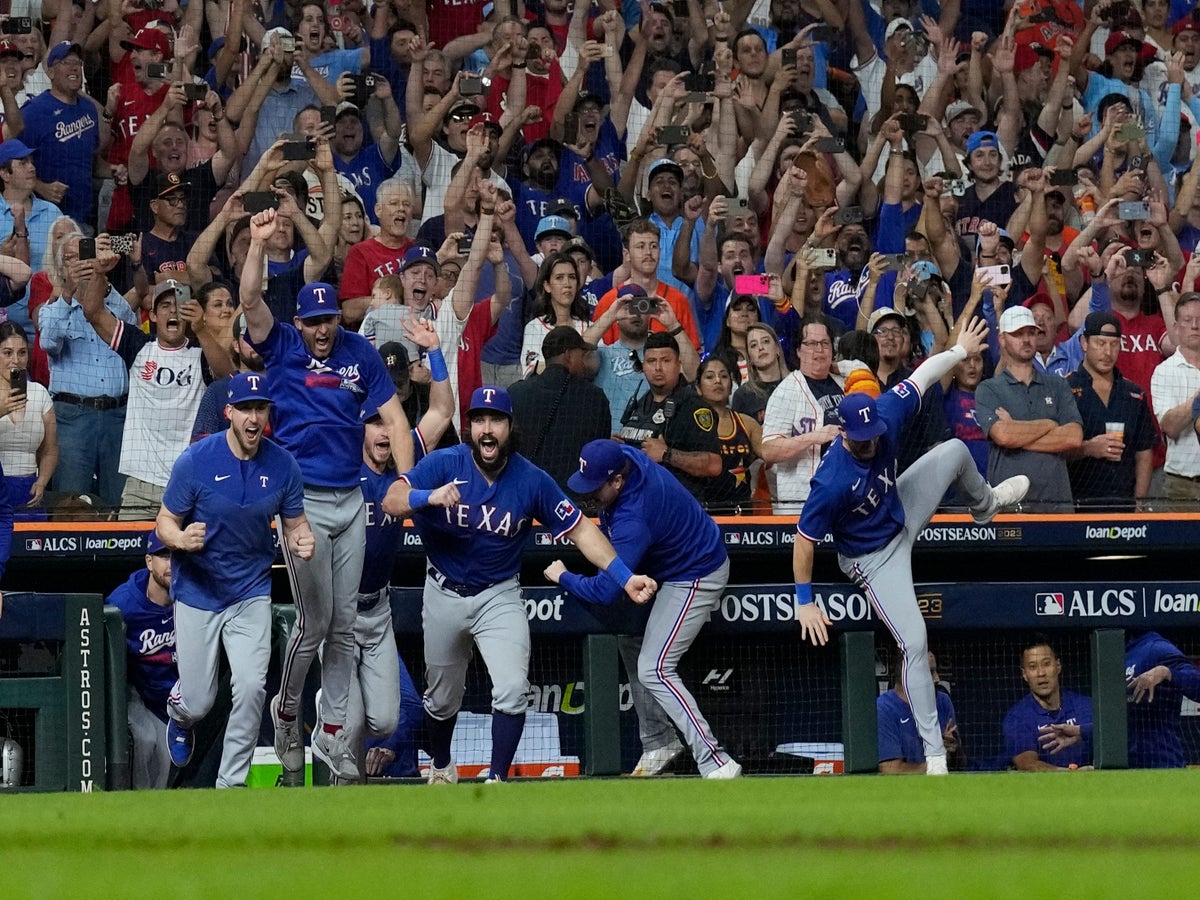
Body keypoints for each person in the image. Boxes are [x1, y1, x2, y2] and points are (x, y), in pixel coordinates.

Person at [381, 386, 656, 784]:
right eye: (479, 421)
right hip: (442, 590)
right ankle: (441, 765)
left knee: (512, 688)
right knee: (441, 700)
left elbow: (581, 531)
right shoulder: (444, 463)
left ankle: (497, 780)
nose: (487, 430)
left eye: (496, 420)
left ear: (510, 427)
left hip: (499, 593)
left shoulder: (531, 479)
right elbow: (392, 499)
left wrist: (625, 577)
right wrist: (429, 496)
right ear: (469, 427)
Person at [792, 318, 1029, 776]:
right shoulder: (832, 479)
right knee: (915, 642)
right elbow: (803, 541)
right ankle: (935, 757)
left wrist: (958, 351)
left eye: (872, 435)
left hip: (898, 505)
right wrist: (804, 602)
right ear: (842, 434)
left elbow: (920, 377)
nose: (869, 443)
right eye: (859, 440)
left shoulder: (884, 415)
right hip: (872, 559)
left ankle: (986, 505)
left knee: (957, 450)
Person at [238, 207, 411, 783]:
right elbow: (250, 302)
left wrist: (405, 483)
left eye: (327, 319)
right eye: (312, 320)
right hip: (302, 502)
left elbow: (395, 418)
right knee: (314, 622)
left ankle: (333, 738)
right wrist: (259, 247)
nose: (319, 329)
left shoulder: (359, 354)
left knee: (340, 625)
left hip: (351, 501)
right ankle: (287, 709)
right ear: (301, 321)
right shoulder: (283, 344)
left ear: (338, 318)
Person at [545, 439, 742, 779]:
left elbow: (607, 590)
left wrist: (564, 576)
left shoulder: (634, 516)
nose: (589, 495)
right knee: (630, 637)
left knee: (655, 668)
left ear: (618, 481)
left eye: (596, 488)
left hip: (697, 572)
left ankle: (716, 759)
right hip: (665, 563)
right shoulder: (627, 459)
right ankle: (659, 743)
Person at [157, 373, 315, 788]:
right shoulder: (197, 460)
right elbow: (164, 523)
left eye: (260, 408)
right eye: (245, 408)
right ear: (229, 412)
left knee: (250, 688)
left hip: (250, 591)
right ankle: (179, 713)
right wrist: (180, 539)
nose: (253, 417)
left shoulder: (283, 465)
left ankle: (231, 786)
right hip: (198, 591)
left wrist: (302, 539)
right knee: (200, 700)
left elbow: (296, 523)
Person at [333, 319, 456, 784]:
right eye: (375, 423)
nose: (385, 432)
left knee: (391, 718)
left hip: (378, 607)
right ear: (360, 429)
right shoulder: (339, 464)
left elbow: (442, 410)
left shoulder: (407, 462)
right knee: (350, 723)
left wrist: (437, 351)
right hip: (338, 609)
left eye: (391, 422)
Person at [78, 270, 233, 519]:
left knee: (187, 556)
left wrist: (201, 330)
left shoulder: (200, 353)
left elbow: (227, 380)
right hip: (141, 484)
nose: (173, 311)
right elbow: (93, 312)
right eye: (165, 305)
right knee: (130, 557)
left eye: (179, 305)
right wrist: (99, 271)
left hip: (188, 482)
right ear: (152, 315)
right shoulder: (138, 346)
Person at [974, 306, 1083, 512]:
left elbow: (1073, 437)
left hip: (1056, 504)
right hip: (1009, 507)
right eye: (1017, 334)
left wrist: (1016, 429)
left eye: (1031, 333)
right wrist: (1049, 424)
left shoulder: (1058, 385)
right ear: (1002, 339)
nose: (1026, 339)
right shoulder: (988, 389)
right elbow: (1004, 436)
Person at [1065, 312, 1157, 509]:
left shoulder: (1134, 394)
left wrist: (1139, 505)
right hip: (1076, 507)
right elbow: (1052, 452)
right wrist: (1087, 448)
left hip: (1124, 507)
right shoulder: (1064, 390)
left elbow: (1144, 453)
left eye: (1114, 344)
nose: (1107, 352)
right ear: (1084, 343)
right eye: (1100, 343)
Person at [617, 331, 721, 505]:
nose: (658, 368)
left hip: (680, 509)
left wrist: (667, 454)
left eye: (665, 361)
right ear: (643, 366)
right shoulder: (641, 401)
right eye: (651, 361)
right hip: (641, 504)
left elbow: (714, 465)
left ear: (678, 364)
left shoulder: (694, 407)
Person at [107, 528, 176, 789]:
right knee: (145, 740)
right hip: (136, 689)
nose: (171, 564)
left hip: (175, 696)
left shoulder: (194, 597)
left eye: (176, 556)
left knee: (168, 756)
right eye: (164, 556)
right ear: (149, 561)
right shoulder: (123, 603)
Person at [509, 326, 610, 489]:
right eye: (582, 355)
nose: (584, 362)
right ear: (569, 355)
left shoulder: (515, 393)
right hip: (575, 499)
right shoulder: (595, 398)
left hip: (526, 495)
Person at [761, 317, 845, 513]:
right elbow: (769, 451)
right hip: (802, 502)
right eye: (811, 344)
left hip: (843, 498)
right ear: (799, 351)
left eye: (825, 343)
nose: (819, 350)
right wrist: (815, 437)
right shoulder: (786, 392)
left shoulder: (845, 383)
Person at [1001, 635, 1094, 772]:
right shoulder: (1016, 718)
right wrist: (1069, 775)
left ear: (1058, 666)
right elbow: (1027, 764)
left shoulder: (1086, 706)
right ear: (1024, 674)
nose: (1041, 673)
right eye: (1032, 667)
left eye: (1046, 664)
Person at [0, 322, 56, 520]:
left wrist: (41, 482)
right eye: (7, 353)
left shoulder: (40, 393)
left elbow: (50, 449)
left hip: (29, 490)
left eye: (22, 353)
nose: (15, 360)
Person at [878, 648, 963, 775]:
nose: (937, 679)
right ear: (908, 676)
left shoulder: (942, 701)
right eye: (930, 673)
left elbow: (960, 765)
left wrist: (953, 752)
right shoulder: (884, 708)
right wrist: (935, 766)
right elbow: (890, 769)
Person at [1125, 631, 1200, 769]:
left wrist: (1166, 672)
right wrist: (1083, 731)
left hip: (1163, 765)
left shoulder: (1156, 648)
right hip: (1125, 769)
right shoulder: (1112, 653)